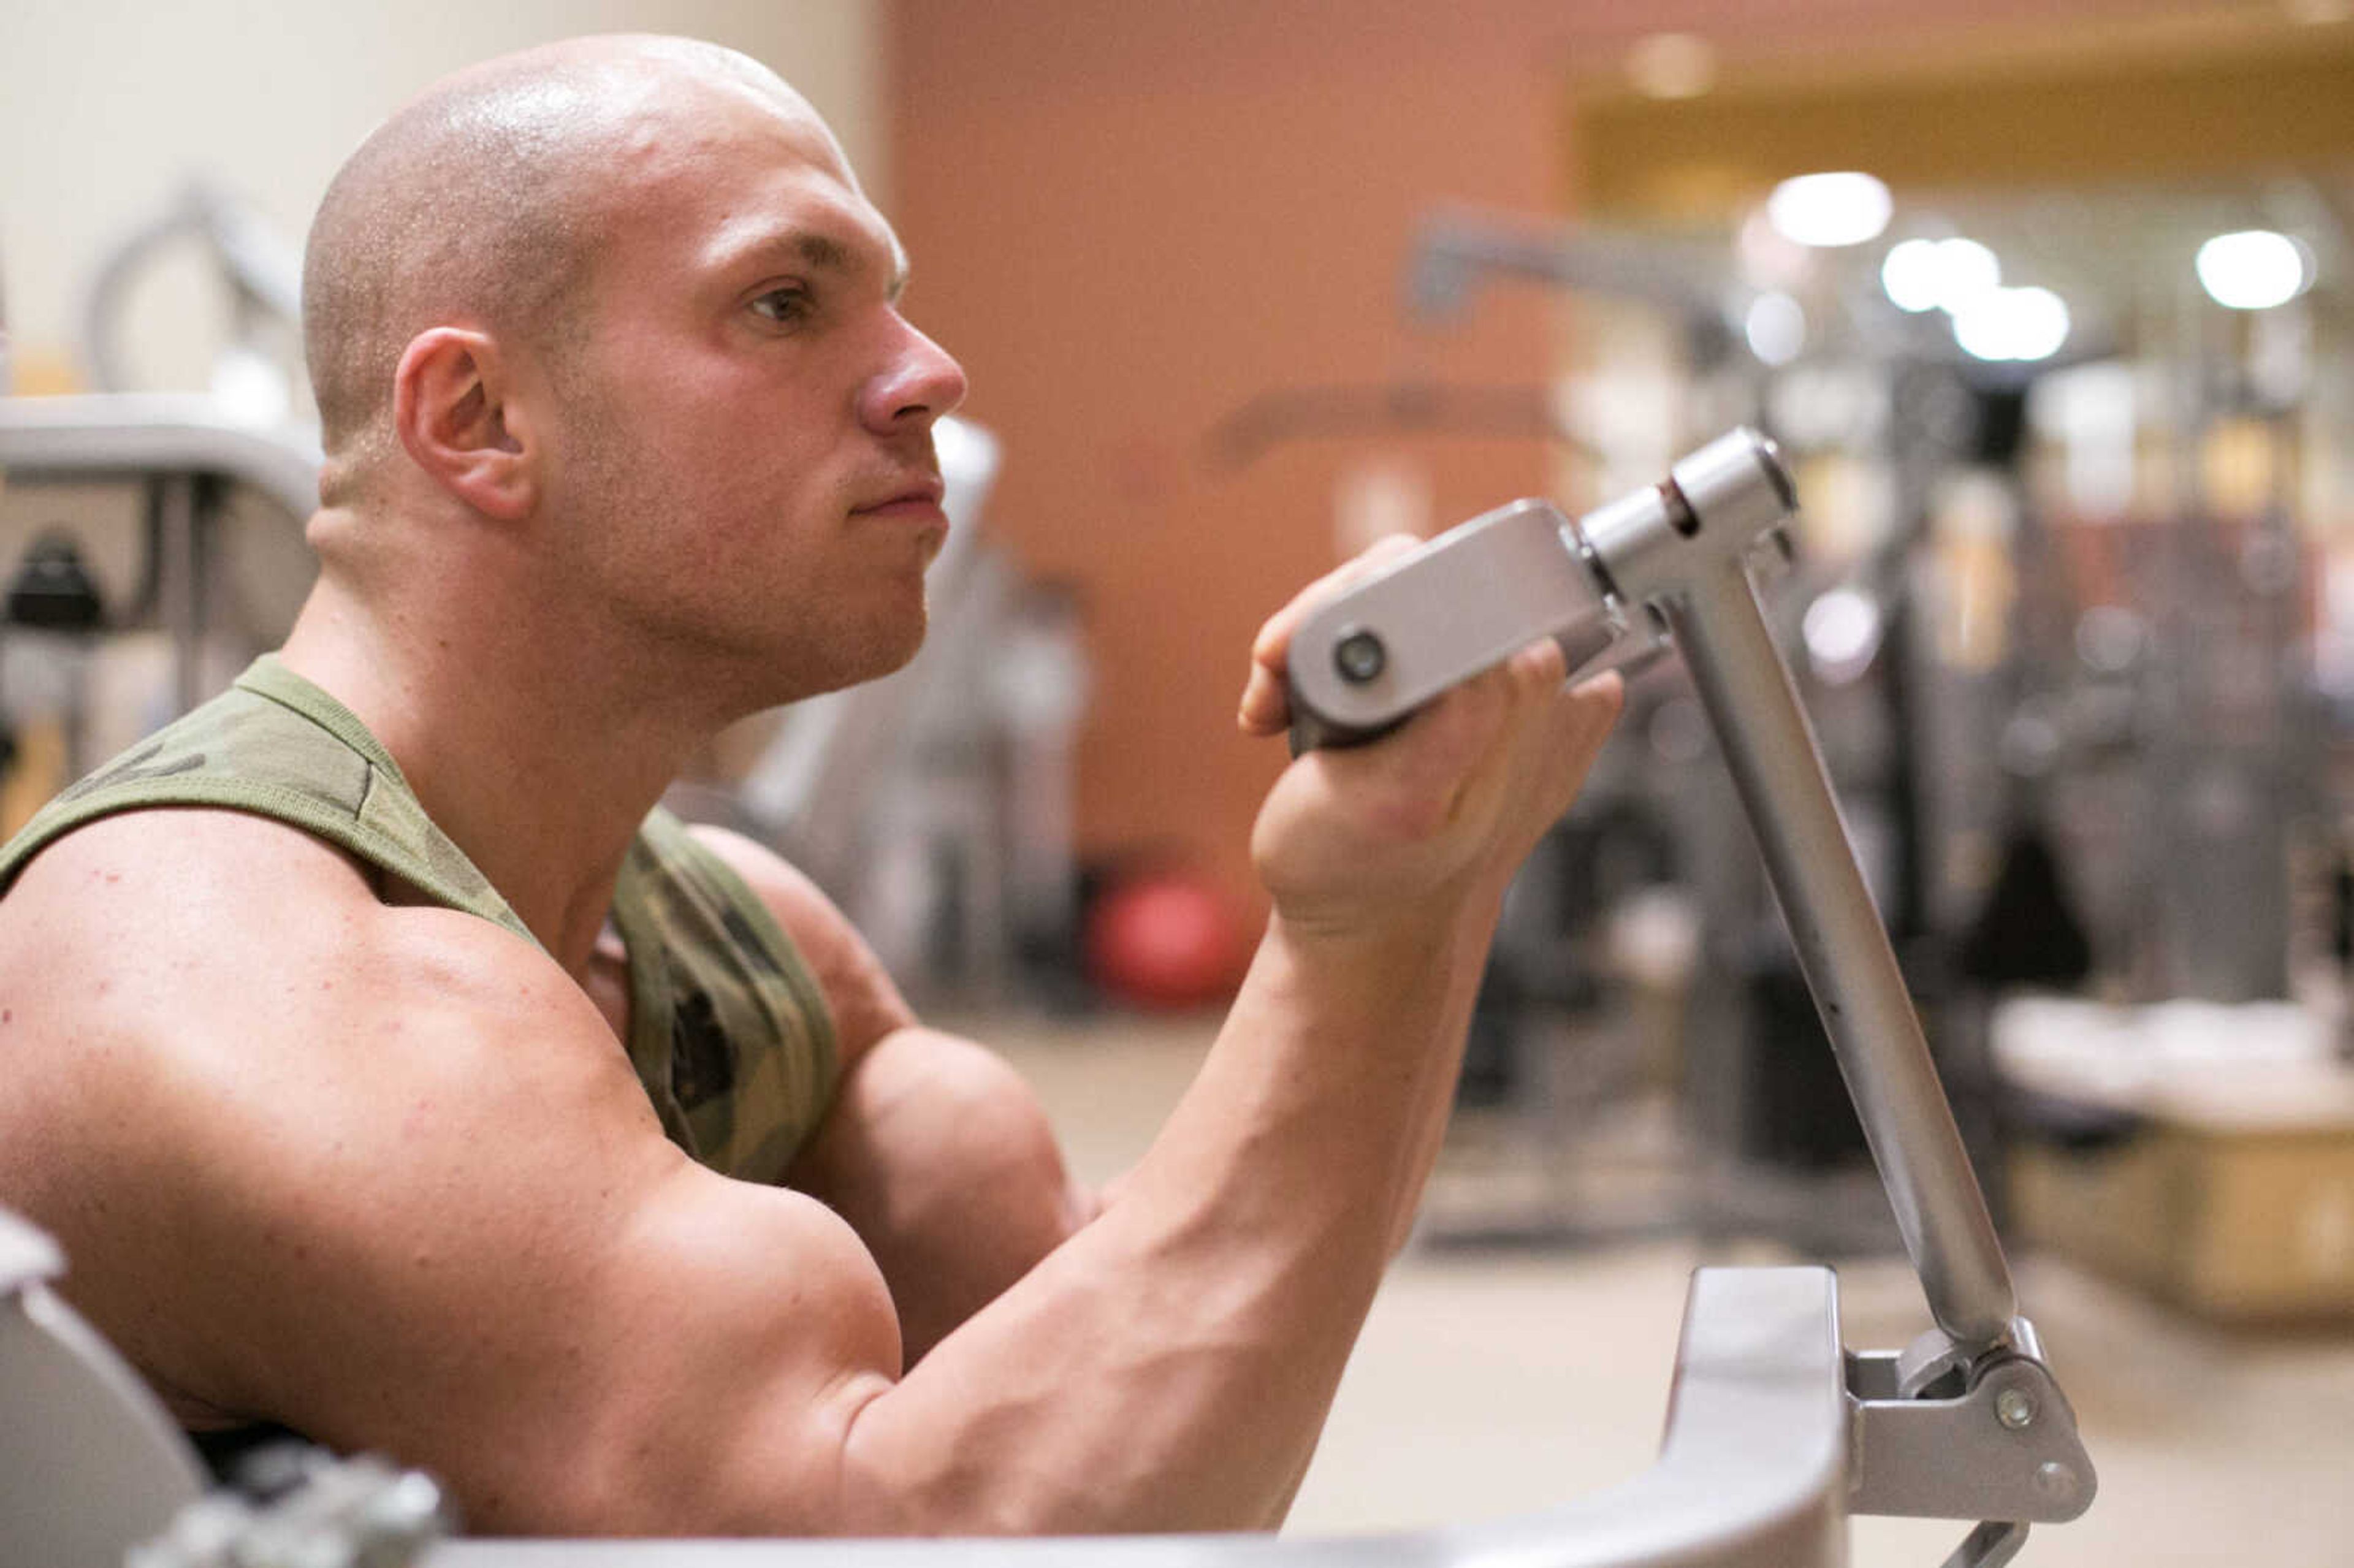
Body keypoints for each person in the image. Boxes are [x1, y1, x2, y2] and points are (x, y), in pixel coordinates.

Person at [0, 34, 1620, 1537]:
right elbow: (911, 1548)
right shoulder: (240, 971)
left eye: (892, 303)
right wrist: (1365, 936)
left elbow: (1162, 1387)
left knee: (972, 1151)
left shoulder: (733, 930)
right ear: (480, 421)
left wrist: (1437, 873)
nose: (932, 373)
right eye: (785, 303)